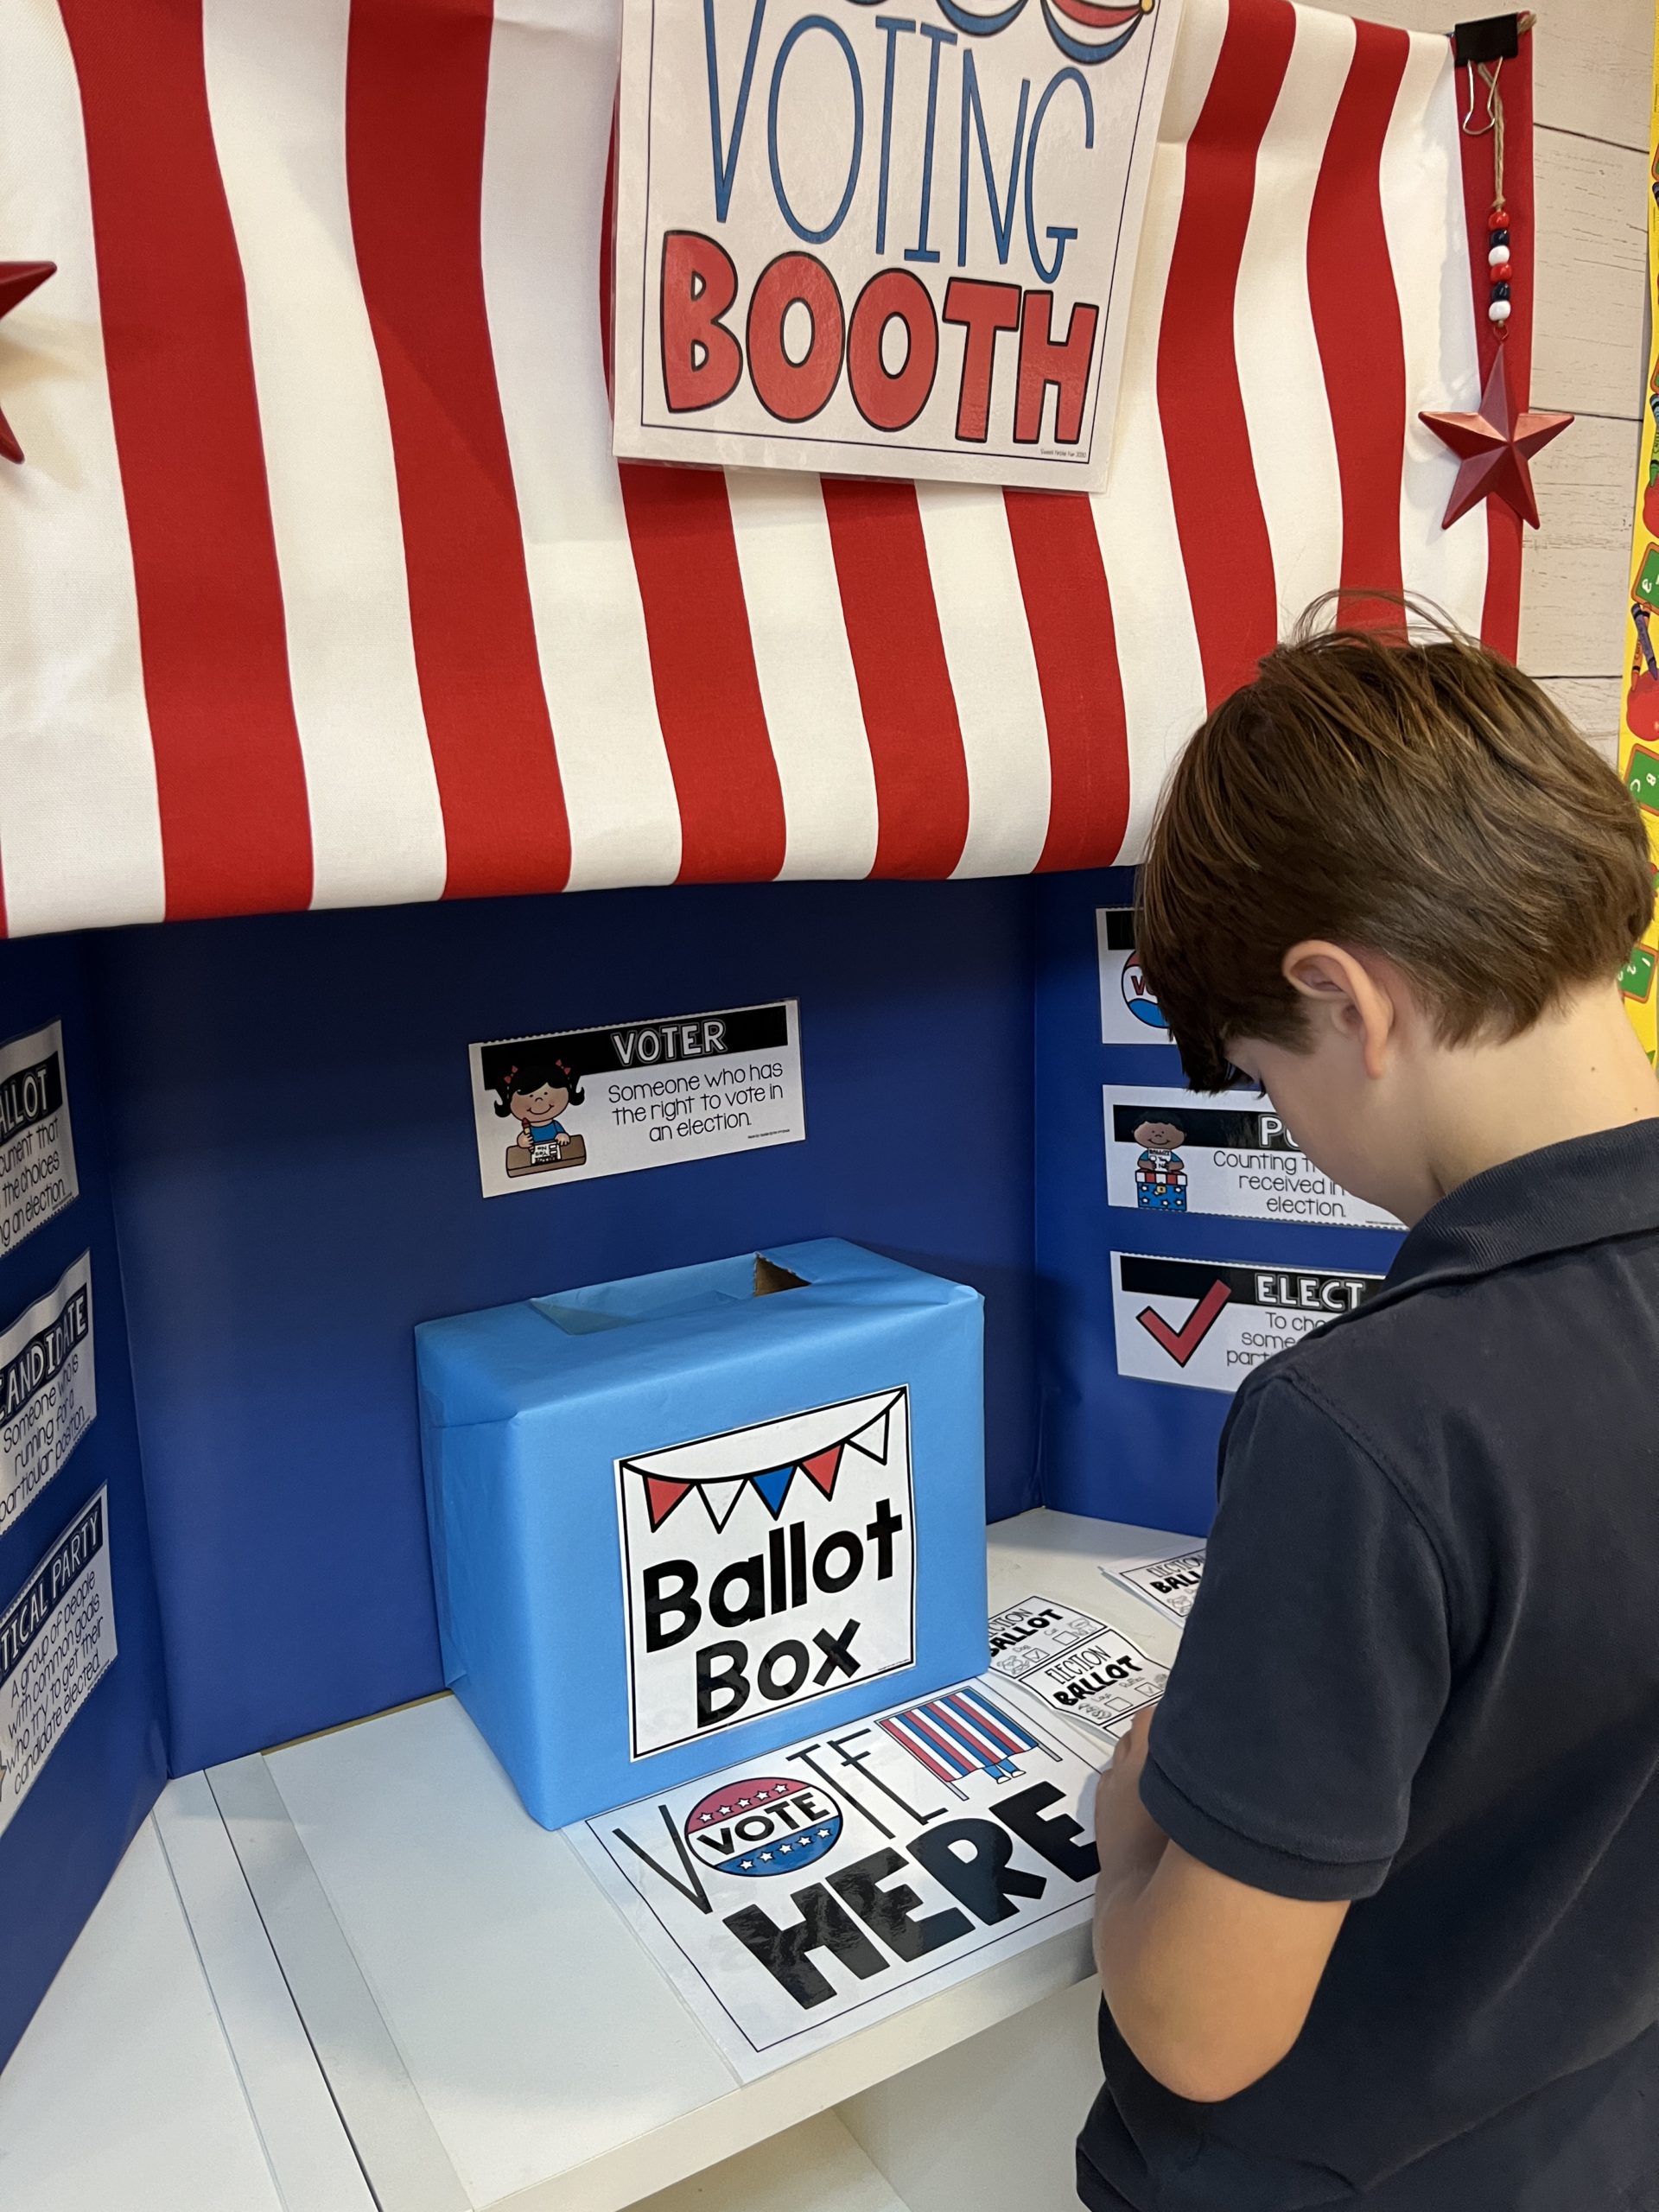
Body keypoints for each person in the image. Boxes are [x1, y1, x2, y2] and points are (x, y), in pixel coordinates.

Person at [1081, 609, 1659, 2212]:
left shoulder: (1367, 1426)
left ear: (1344, 1000)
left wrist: (1132, 1833)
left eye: (1273, 1085)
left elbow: (1200, 2029)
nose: (1302, 1138)